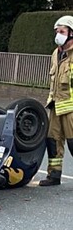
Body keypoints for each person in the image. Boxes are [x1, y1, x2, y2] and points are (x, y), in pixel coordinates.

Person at [41, 14, 73, 187]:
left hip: (71, 107)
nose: (58, 35)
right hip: (55, 105)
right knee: (53, 141)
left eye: (62, 31)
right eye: (56, 31)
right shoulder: (56, 53)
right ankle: (54, 175)